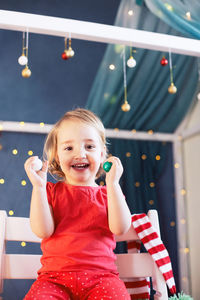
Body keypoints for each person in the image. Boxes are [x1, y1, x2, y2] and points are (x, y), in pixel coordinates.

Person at [24, 108, 131, 300]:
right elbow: (43, 231)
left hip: (102, 279)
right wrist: (38, 188)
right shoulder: (49, 192)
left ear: (102, 155)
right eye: (68, 148)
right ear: (57, 157)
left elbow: (121, 227)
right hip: (53, 280)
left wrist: (113, 184)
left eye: (89, 147)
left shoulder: (109, 193)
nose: (80, 154)